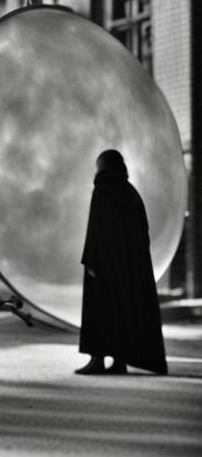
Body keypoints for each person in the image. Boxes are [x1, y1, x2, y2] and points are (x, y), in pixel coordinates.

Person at [76, 148, 167, 376]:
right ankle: (120, 360)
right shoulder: (132, 195)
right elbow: (142, 235)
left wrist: (91, 263)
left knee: (99, 310)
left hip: (103, 267)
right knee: (122, 311)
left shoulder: (101, 193)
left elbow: (95, 231)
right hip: (127, 270)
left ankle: (97, 359)